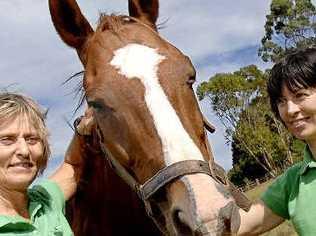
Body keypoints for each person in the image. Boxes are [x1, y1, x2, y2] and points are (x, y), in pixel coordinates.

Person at [236, 48, 316, 235]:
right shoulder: (292, 182)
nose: (290, 110)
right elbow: (240, 226)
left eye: (300, 95)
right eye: (281, 101)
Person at [0, 92, 90, 235]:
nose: (24, 150)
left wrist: (84, 127)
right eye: (7, 139)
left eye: (32, 139)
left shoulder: (46, 199)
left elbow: (73, 165)